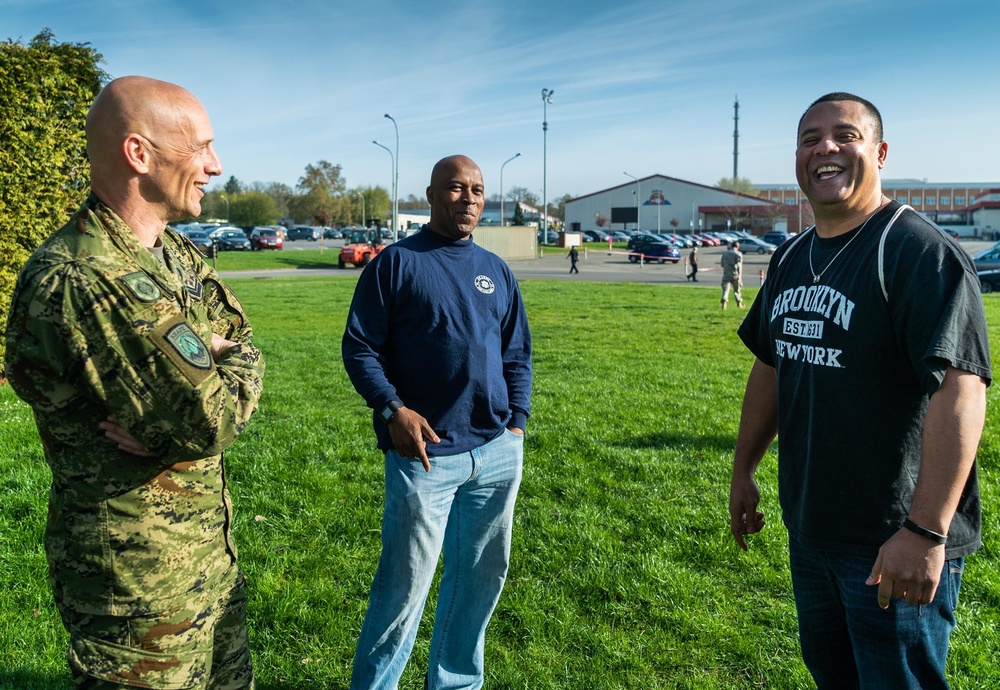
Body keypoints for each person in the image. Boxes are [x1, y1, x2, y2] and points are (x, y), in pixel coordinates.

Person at [4, 76, 264, 689]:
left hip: (207, 562)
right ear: (139, 154)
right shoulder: (84, 274)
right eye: (200, 147)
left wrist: (217, 371)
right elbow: (211, 419)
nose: (216, 165)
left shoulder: (175, 254)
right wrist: (210, 376)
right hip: (136, 589)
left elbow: (239, 345)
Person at [728, 92, 990, 689]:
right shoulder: (791, 255)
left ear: (880, 151)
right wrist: (744, 468)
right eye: (810, 138)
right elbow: (770, 366)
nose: (825, 148)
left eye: (845, 135)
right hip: (812, 529)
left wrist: (925, 531)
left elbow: (962, 390)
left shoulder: (917, 252)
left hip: (891, 541)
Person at [342, 155, 532, 689]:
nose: (468, 198)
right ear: (430, 195)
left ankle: (455, 683)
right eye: (455, 188)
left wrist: (516, 423)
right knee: (403, 591)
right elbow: (359, 348)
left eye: (476, 189)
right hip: (425, 457)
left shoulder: (496, 269)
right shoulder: (396, 263)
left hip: (495, 453)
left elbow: (517, 352)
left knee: (478, 583)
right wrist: (392, 410)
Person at [719, 240, 742, 307]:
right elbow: (739, 265)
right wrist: (740, 276)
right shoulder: (738, 254)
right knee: (737, 291)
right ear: (737, 246)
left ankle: (724, 304)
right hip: (735, 274)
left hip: (726, 274)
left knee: (725, 290)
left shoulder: (725, 253)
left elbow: (722, 264)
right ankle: (739, 303)